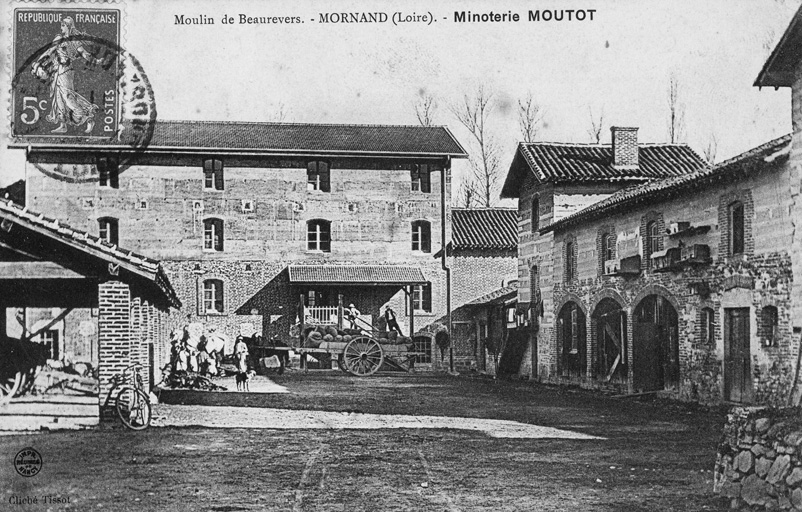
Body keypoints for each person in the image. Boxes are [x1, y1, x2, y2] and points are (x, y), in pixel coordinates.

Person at [31, 17, 102, 134]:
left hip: (66, 71)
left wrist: (96, 61)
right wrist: (38, 62)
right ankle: (63, 124)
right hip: (57, 71)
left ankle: (89, 117)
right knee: (58, 97)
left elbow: (85, 54)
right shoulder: (59, 38)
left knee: (68, 96)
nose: (61, 28)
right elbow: (49, 52)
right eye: (61, 25)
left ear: (68, 26)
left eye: (63, 25)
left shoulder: (75, 41)